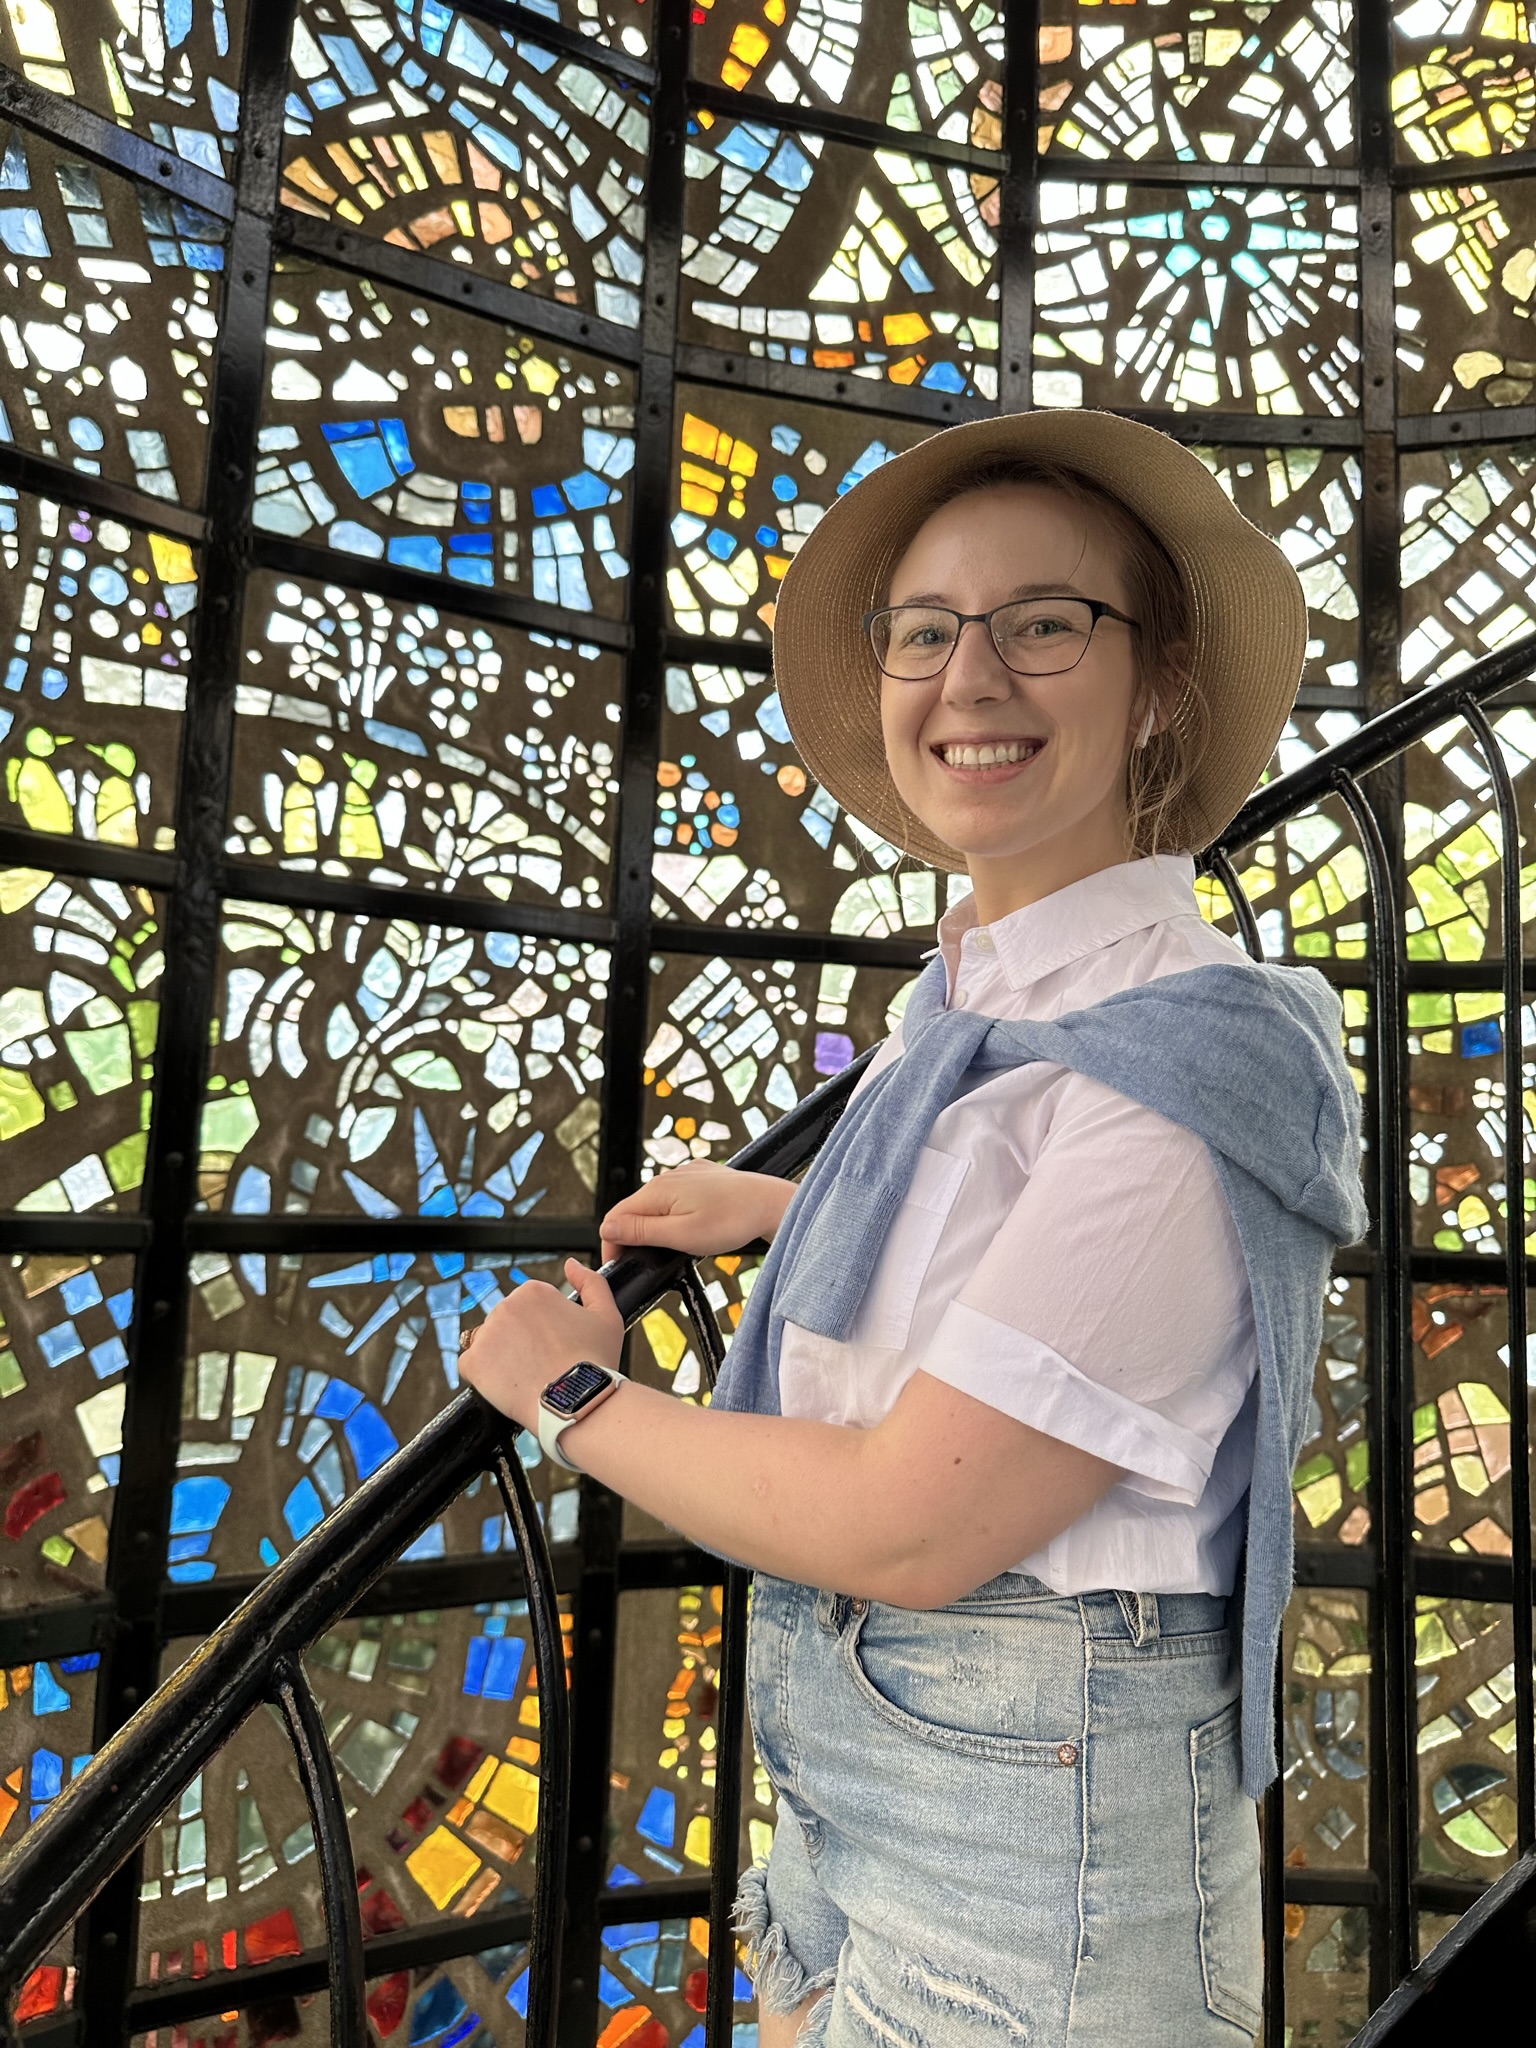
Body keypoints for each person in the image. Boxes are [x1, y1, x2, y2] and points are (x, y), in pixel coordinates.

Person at [460, 410, 1367, 2045]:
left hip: (1032, 1835)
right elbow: (1033, 1254)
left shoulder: (1189, 1059)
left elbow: (911, 1524)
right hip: (864, 1769)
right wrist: (792, 1208)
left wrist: (571, 1398)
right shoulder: (974, 1007)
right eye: (927, 630)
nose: (972, 677)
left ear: (1159, 680)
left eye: (1044, 624)